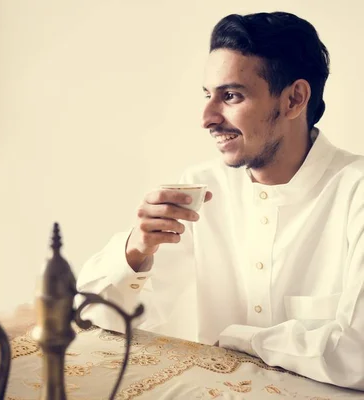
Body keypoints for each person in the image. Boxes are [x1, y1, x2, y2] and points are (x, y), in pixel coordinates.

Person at [77, 11, 364, 390]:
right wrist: (136, 251)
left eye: (230, 96)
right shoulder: (200, 187)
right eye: (207, 95)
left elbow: (358, 355)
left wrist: (239, 339)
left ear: (294, 98)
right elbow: (94, 315)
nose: (207, 117)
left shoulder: (356, 191)